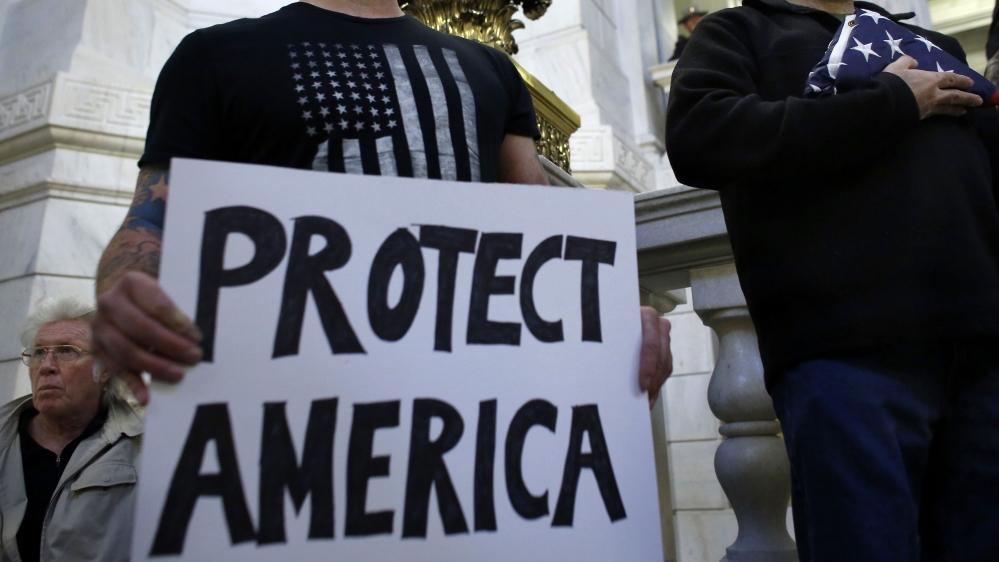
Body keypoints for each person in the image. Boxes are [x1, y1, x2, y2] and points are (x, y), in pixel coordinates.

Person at [91, 0, 673, 408]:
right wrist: (125, 286)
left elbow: (543, 243)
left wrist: (611, 317)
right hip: (286, 407)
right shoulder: (213, 55)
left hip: (468, 412)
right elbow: (148, 222)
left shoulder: (489, 69)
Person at [666, 0, 999, 560]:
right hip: (847, 352)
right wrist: (892, 101)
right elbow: (701, 134)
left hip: (982, 351)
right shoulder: (737, 30)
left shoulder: (925, 41)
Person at [0, 296, 142, 562]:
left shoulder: (143, 448)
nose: (46, 367)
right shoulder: (4, 440)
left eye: (67, 351)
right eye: (39, 352)